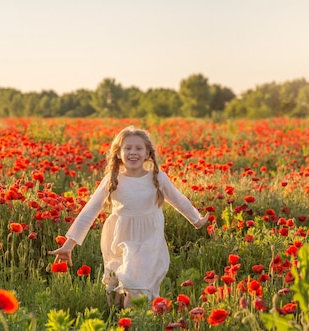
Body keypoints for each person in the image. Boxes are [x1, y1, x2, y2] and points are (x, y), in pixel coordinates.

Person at [49, 126, 208, 308]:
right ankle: (117, 322)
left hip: (149, 240)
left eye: (139, 148)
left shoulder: (157, 178)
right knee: (115, 293)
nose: (133, 152)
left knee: (137, 288)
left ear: (148, 153)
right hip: (119, 239)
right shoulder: (113, 179)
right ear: (118, 153)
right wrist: (68, 245)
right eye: (128, 148)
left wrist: (196, 220)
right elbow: (90, 211)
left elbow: (179, 200)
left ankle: (135, 328)